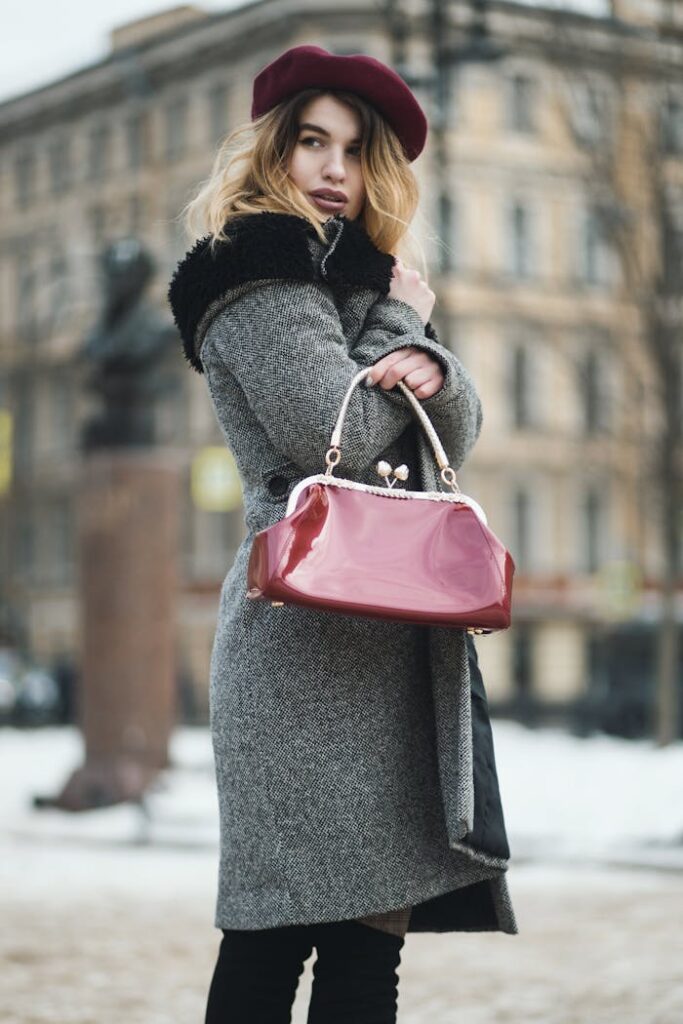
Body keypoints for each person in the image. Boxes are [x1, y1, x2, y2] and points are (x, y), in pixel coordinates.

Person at [168, 43, 518, 1024]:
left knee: (368, 962)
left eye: (355, 150)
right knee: (269, 947)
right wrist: (402, 325)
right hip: (298, 653)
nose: (334, 169)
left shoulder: (353, 283)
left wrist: (435, 370)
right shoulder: (255, 280)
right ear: (269, 153)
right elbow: (349, 431)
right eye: (311, 142)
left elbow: (454, 428)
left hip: (390, 648)